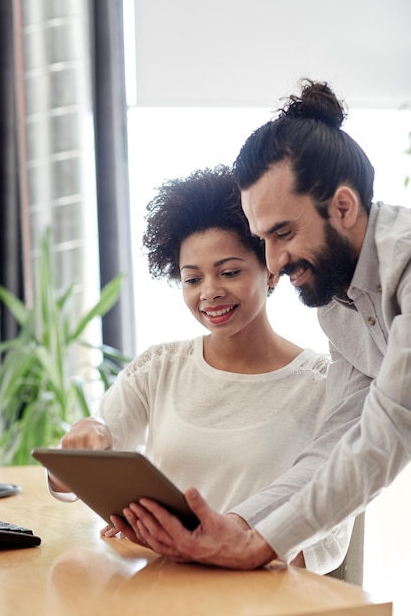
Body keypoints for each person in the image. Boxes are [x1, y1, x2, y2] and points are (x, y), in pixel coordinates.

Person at [114, 79, 411, 570]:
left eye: (283, 233)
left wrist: (259, 544)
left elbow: (391, 428)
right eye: (262, 239)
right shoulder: (339, 306)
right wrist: (240, 526)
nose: (272, 263)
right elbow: (335, 444)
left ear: (343, 206)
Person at [47, 165, 353, 574]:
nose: (210, 292)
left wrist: (226, 548)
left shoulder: (324, 386)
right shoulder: (159, 369)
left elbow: (328, 545)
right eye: (192, 279)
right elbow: (67, 485)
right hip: (163, 587)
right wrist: (85, 441)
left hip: (263, 598)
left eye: (229, 272)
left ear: (271, 270)